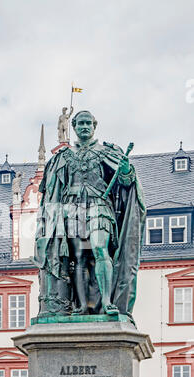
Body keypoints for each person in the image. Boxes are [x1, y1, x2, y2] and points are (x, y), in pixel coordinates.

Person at [34, 110, 146, 320]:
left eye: (88, 123)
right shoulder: (63, 157)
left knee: (100, 249)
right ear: (74, 127)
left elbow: (126, 184)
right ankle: (82, 305)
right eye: (80, 123)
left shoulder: (108, 153)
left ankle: (106, 302)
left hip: (99, 206)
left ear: (94, 126)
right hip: (72, 209)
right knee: (79, 258)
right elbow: (53, 191)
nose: (85, 127)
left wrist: (125, 171)